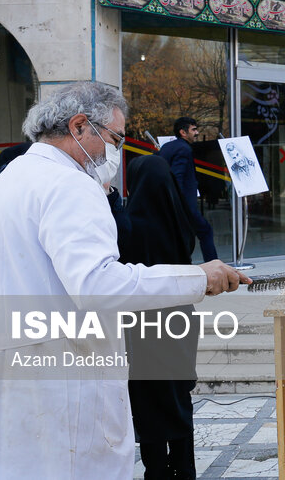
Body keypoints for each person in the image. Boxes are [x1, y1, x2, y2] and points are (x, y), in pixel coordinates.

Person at [0, 81, 250, 480]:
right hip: (62, 382)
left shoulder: (6, 183)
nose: (114, 150)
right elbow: (99, 285)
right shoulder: (69, 184)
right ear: (80, 126)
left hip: (6, 376)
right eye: (114, 137)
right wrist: (198, 277)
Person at [118, 155, 200, 480]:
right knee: (179, 398)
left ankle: (157, 471)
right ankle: (185, 467)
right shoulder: (180, 221)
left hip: (141, 324)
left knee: (148, 402)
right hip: (179, 319)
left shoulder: (127, 225)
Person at [158, 117, 218, 261]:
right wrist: (180, 205)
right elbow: (177, 178)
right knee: (205, 231)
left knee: (182, 237)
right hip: (185, 205)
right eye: (193, 130)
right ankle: (214, 265)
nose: (197, 133)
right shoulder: (184, 149)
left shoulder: (167, 147)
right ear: (183, 132)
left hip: (173, 204)